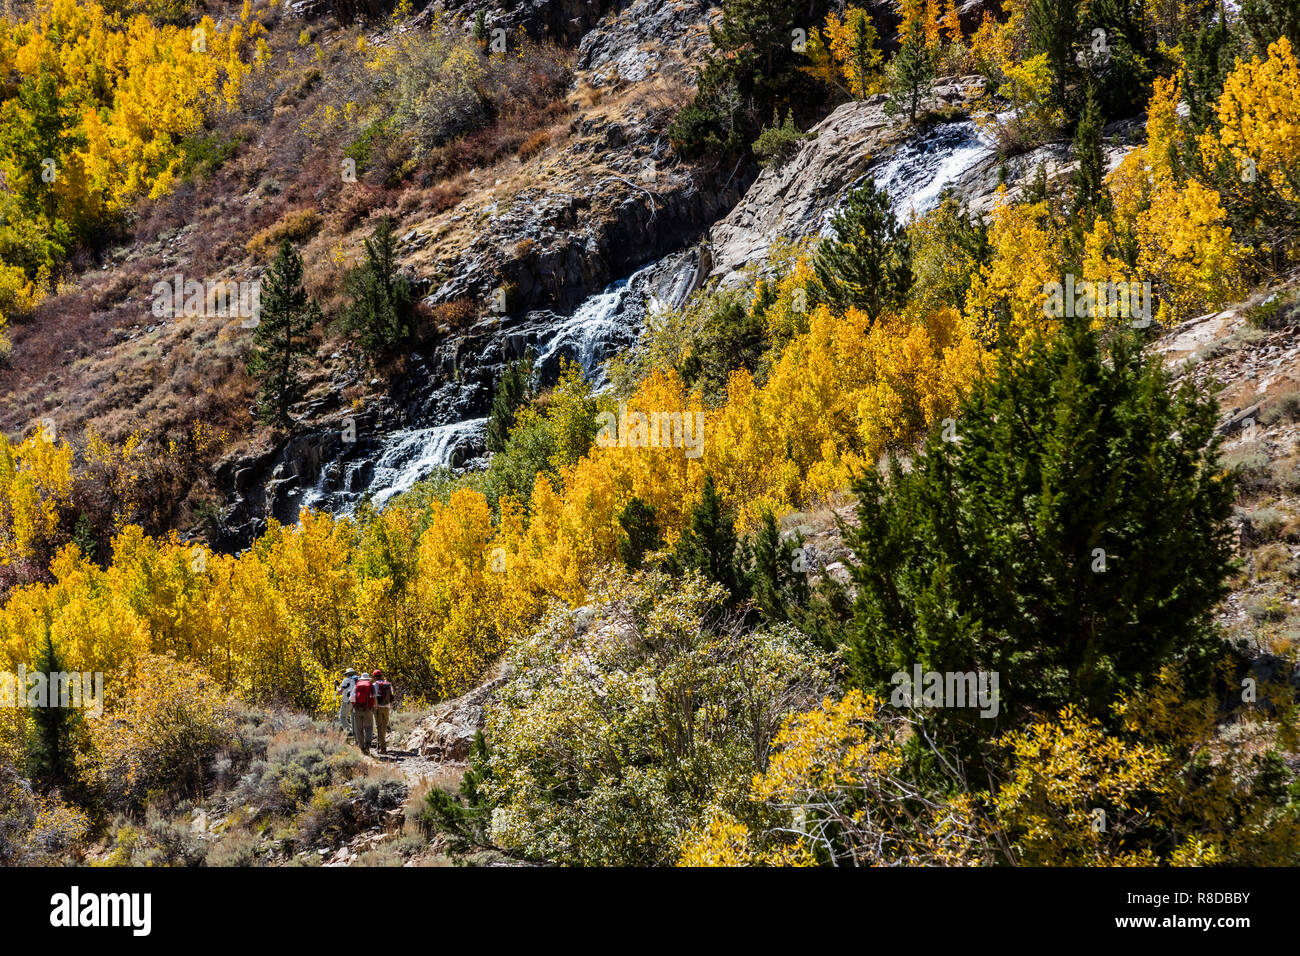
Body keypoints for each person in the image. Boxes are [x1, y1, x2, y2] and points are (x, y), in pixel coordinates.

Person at [350, 670, 376, 754]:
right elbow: (374, 696)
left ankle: (361, 747)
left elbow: (352, 697)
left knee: (359, 728)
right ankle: (367, 745)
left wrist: (354, 706)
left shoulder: (357, 685)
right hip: (368, 709)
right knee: (368, 727)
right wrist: (373, 706)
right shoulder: (370, 685)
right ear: (368, 679)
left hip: (357, 709)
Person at [371, 670, 394, 754]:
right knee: (383, 727)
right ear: (381, 676)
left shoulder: (374, 685)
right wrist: (389, 706)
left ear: (374, 677)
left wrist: (375, 706)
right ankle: (379, 745)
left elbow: (373, 697)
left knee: (379, 727)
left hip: (378, 707)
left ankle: (383, 748)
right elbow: (392, 697)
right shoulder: (388, 684)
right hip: (387, 707)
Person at [337, 668, 358, 734]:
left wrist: (337, 685)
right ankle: (356, 732)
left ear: (347, 674)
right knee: (353, 717)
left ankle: (349, 731)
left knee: (342, 716)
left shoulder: (346, 680)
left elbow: (340, 692)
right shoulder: (357, 680)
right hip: (355, 700)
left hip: (346, 700)